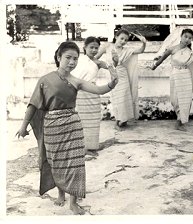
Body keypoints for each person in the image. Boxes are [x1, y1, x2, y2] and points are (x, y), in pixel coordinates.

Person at [15, 41, 119, 215]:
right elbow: (33, 104)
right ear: (58, 57)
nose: (72, 62)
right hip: (52, 126)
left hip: (72, 125)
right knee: (57, 163)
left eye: (75, 59)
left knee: (76, 163)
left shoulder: (76, 81)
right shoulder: (45, 80)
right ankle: (60, 193)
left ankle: (73, 202)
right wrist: (24, 125)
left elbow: (99, 90)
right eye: (68, 58)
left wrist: (112, 83)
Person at [151, 28, 193, 131]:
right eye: (186, 37)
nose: (187, 39)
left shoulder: (191, 52)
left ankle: (181, 122)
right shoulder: (172, 49)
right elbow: (161, 59)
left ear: (192, 40)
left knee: (185, 100)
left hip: (186, 76)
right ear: (181, 36)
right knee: (174, 100)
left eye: (190, 38)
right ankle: (179, 118)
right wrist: (154, 66)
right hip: (175, 74)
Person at [71, 36, 117, 156]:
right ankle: (83, 148)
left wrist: (115, 60)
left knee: (94, 120)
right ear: (84, 48)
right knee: (82, 121)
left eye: (96, 48)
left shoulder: (97, 62)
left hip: (93, 92)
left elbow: (111, 66)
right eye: (91, 47)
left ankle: (91, 146)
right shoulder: (79, 60)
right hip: (81, 92)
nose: (94, 50)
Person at [95, 29, 146, 130]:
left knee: (124, 98)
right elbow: (96, 57)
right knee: (116, 99)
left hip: (123, 76)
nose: (123, 41)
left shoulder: (126, 50)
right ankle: (118, 120)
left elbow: (140, 51)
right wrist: (104, 66)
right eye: (121, 38)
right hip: (112, 75)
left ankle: (123, 120)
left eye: (125, 40)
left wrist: (144, 43)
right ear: (116, 37)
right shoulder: (108, 47)